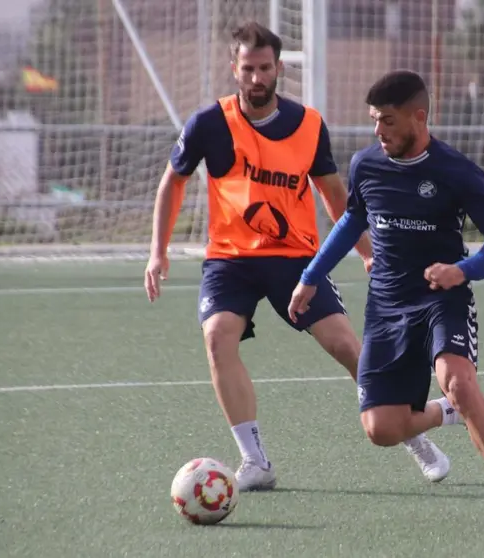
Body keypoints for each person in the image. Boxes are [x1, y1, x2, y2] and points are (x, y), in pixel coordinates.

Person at [144, 22, 450, 491]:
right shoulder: (209, 124)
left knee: (348, 348)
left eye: (265, 68)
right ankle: (254, 461)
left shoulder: (308, 125)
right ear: (235, 70)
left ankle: (412, 431)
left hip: (296, 261)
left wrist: (368, 253)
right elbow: (173, 182)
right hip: (230, 260)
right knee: (217, 338)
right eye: (248, 69)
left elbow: (334, 194)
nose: (256, 77)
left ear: (279, 69)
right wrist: (157, 252)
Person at [288, 70, 484, 529]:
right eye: (374, 121)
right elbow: (351, 223)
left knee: (459, 382)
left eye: (387, 120)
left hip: (441, 301)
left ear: (418, 117)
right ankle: (449, 413)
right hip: (385, 307)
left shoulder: (456, 171)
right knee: (381, 430)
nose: (378, 131)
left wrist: (460, 271)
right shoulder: (367, 164)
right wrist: (310, 276)